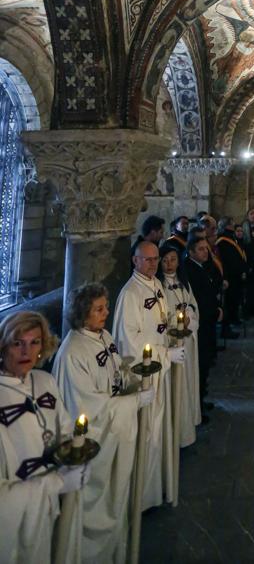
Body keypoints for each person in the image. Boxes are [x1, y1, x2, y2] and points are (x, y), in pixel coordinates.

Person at [53, 283, 152, 564]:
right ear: (83, 314)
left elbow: (115, 369)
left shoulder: (103, 335)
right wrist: (131, 402)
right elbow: (85, 407)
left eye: (105, 307)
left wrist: (132, 379)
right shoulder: (72, 352)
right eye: (99, 309)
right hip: (98, 437)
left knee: (119, 493)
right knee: (99, 498)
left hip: (116, 427)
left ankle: (118, 549)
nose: (106, 313)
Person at [0, 311, 87, 564]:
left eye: (34, 342)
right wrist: (54, 484)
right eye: (18, 343)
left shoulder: (45, 381)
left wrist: (76, 458)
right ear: (4, 346)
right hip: (21, 517)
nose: (27, 352)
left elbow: (65, 428)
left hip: (51, 504)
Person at [113, 241, 185, 510]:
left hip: (159, 370)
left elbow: (162, 321)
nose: (153, 264)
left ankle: (157, 491)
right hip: (143, 374)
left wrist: (175, 331)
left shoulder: (155, 285)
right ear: (135, 260)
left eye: (156, 259)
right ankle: (141, 499)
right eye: (148, 259)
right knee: (147, 433)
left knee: (158, 431)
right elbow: (129, 341)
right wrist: (164, 354)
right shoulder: (129, 294)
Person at [157, 245, 202, 445]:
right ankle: (177, 432)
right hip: (172, 342)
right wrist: (176, 320)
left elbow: (192, 303)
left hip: (188, 341)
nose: (169, 264)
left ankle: (189, 424)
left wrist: (190, 316)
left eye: (173, 260)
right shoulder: (158, 286)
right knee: (177, 386)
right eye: (165, 260)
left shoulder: (183, 282)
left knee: (189, 381)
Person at [184, 236, 223, 420]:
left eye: (206, 249)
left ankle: (201, 400)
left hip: (206, 323)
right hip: (201, 325)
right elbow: (199, 300)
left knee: (204, 365)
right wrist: (215, 312)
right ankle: (197, 407)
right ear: (191, 252)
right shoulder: (190, 270)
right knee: (199, 365)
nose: (205, 252)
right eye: (200, 249)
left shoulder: (199, 267)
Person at [216, 217, 245, 333]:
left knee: (235, 299)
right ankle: (227, 324)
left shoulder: (230, 237)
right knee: (229, 301)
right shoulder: (223, 240)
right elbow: (228, 260)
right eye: (232, 224)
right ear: (227, 225)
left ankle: (234, 318)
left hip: (235, 276)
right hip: (230, 276)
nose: (234, 225)